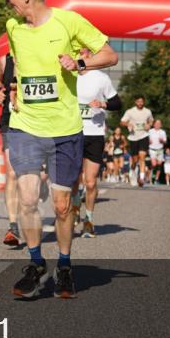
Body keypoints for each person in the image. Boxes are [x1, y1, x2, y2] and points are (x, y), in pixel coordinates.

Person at [0, 0, 117, 299]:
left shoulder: (69, 21)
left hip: (65, 129)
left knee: (62, 206)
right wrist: (10, 89)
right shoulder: (13, 27)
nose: (7, 3)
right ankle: (35, 264)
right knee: (28, 198)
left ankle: (64, 265)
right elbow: (20, 66)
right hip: (25, 126)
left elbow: (110, 54)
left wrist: (78, 64)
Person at [70, 53, 121, 239]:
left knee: (90, 182)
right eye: (75, 51)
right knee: (74, 179)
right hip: (73, 132)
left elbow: (117, 103)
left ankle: (89, 221)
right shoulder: (68, 75)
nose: (78, 54)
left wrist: (102, 103)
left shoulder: (101, 78)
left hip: (94, 134)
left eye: (82, 51)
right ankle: (75, 206)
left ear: (90, 55)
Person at [0, 52, 22, 247]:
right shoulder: (5, 60)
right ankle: (13, 226)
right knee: (11, 173)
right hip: (10, 120)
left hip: (37, 120)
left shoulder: (38, 52)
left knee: (35, 176)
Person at [120, 97, 153, 186]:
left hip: (144, 136)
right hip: (133, 137)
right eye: (138, 101)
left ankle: (141, 178)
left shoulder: (148, 111)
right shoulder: (130, 111)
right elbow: (122, 122)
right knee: (135, 160)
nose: (140, 103)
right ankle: (132, 171)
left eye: (141, 101)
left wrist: (149, 125)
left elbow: (151, 121)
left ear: (144, 102)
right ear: (135, 102)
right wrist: (128, 124)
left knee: (142, 156)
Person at [148, 119, 168, 185]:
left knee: (159, 164)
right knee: (154, 164)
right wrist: (148, 141)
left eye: (159, 123)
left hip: (160, 150)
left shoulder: (162, 132)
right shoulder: (150, 131)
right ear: (154, 124)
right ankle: (150, 177)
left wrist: (162, 141)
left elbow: (165, 141)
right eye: (156, 123)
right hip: (152, 149)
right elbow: (146, 140)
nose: (157, 125)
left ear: (161, 125)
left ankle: (156, 179)